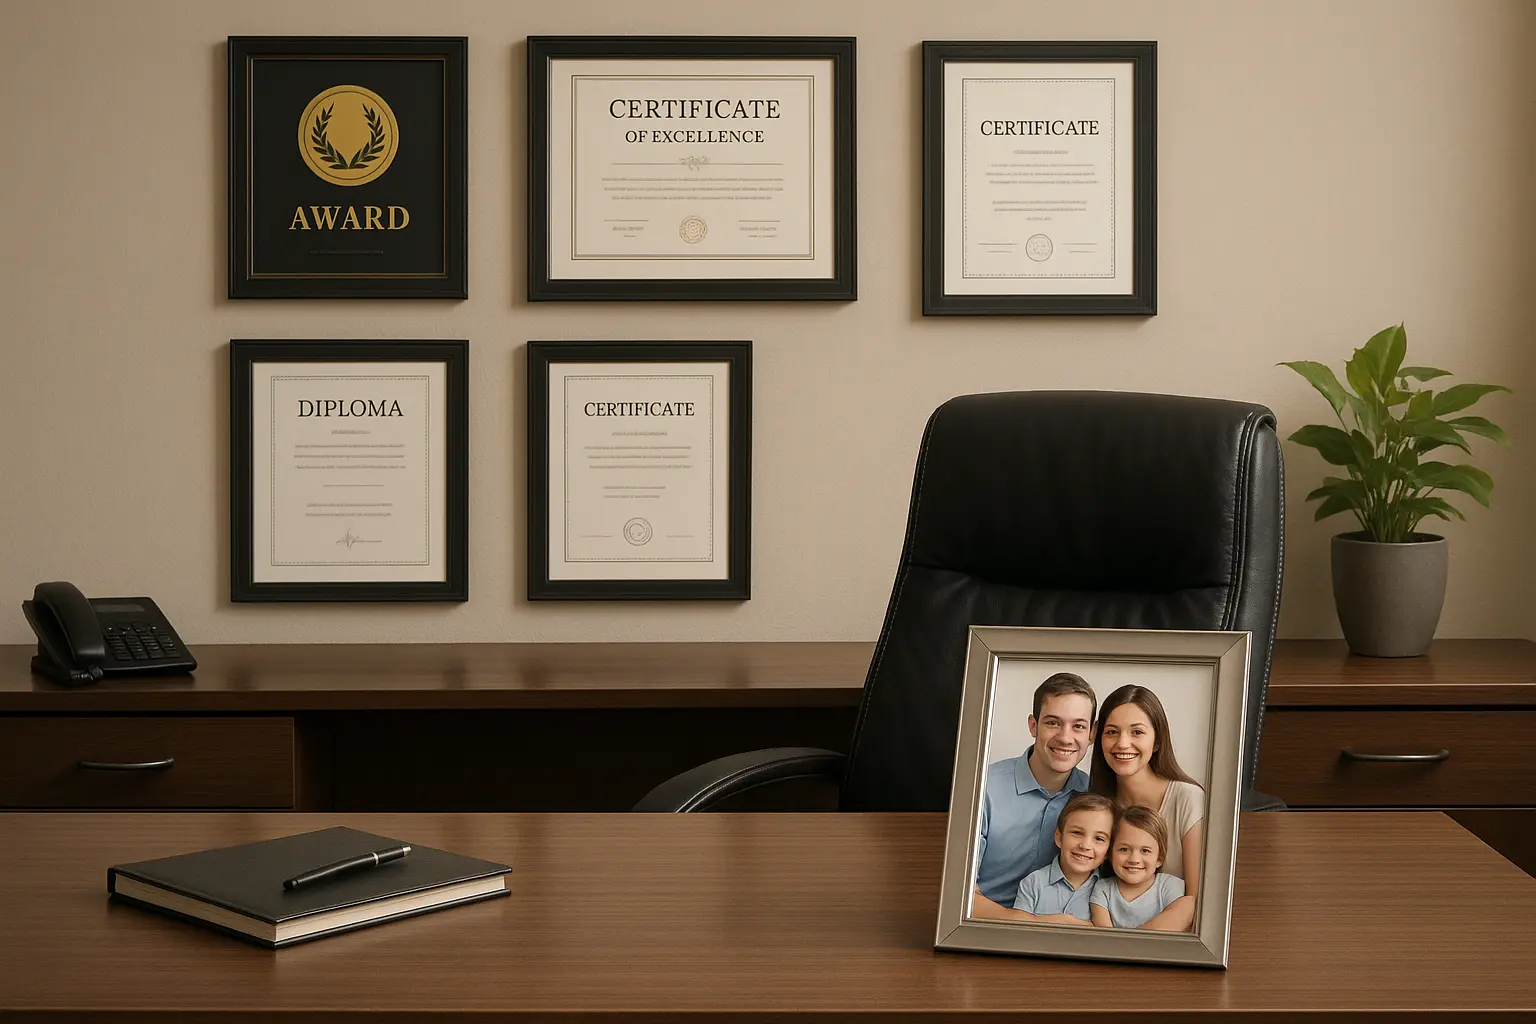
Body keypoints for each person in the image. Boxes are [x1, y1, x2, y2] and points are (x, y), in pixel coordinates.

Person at [970, 672, 1097, 921]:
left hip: (1072, 938)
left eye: (1078, 726)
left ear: (1091, 734)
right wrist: (1035, 925)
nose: (1065, 737)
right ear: (1033, 725)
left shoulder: (1095, 797)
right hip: (985, 930)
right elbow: (960, 895)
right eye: (1053, 723)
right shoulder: (983, 787)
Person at [1089, 684, 1205, 899]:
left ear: (1157, 742)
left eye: (1137, 732)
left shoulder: (1188, 799)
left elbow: (1197, 899)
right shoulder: (1095, 805)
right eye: (1112, 732)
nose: (1123, 743)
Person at [1010, 792, 1115, 925]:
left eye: (1099, 839)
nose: (1085, 845)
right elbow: (1017, 932)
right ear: (1059, 838)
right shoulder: (1033, 883)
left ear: (1108, 851)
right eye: (1077, 833)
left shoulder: (1110, 892)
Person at [1089, 805, 1194, 931]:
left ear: (1159, 858)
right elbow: (1105, 939)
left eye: (1145, 851)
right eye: (1124, 849)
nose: (1134, 859)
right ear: (1110, 853)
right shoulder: (1103, 890)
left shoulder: (1170, 887)